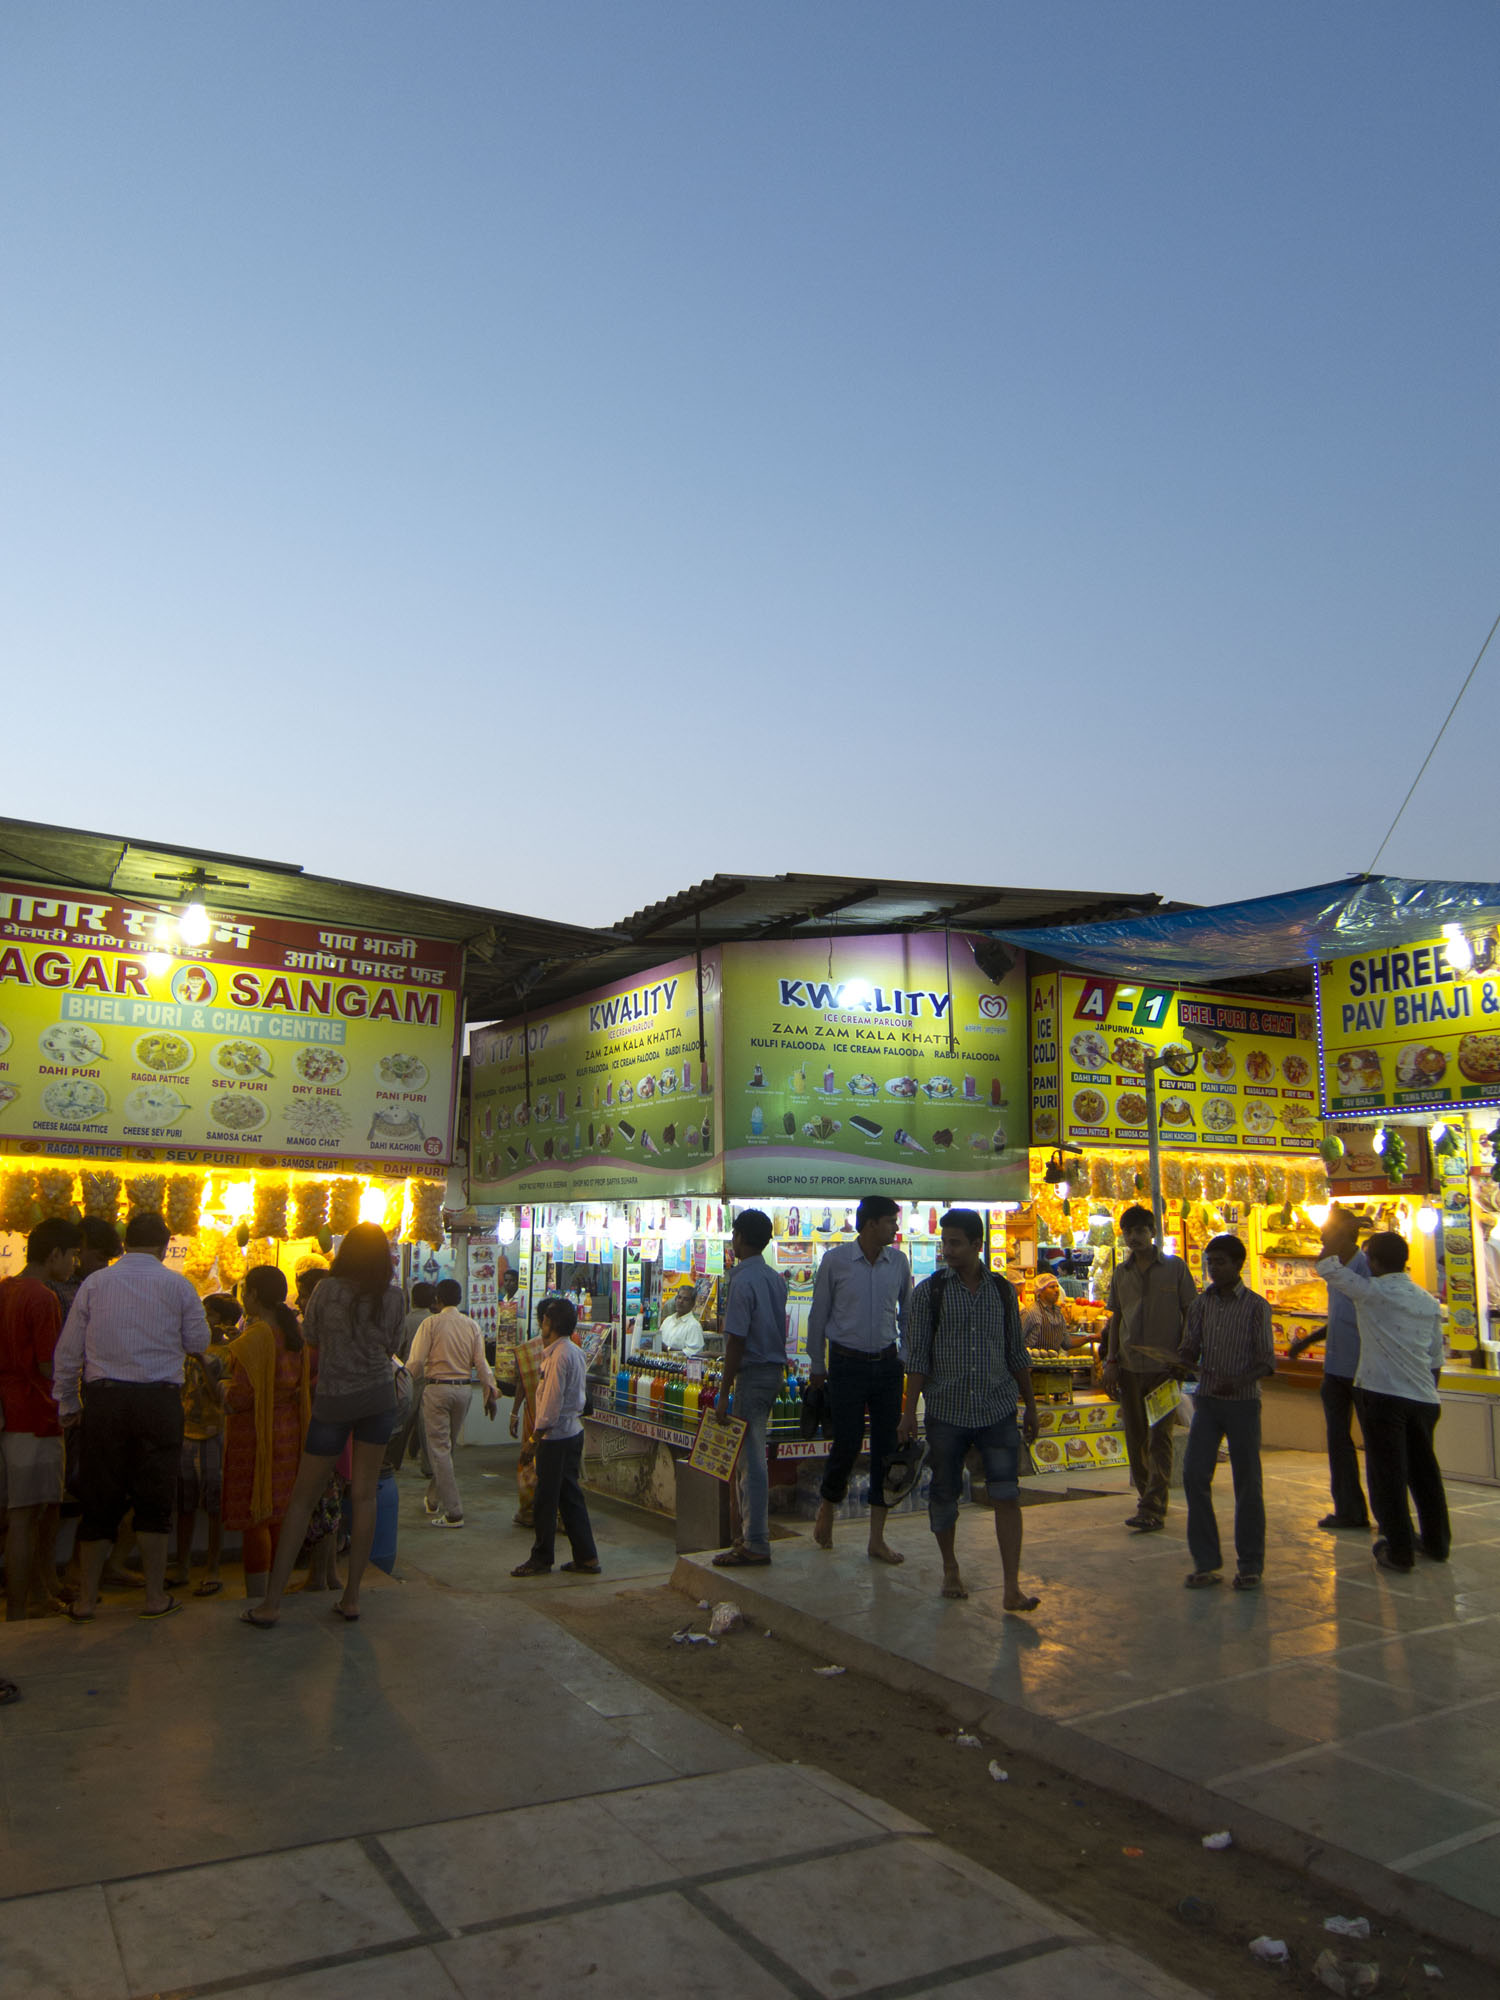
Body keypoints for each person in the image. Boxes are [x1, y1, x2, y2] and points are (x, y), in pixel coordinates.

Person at [241, 1223, 404, 1627]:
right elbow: (393, 1346)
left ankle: (271, 1603)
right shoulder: (394, 1295)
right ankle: (351, 1598)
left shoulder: (328, 1291)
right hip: (379, 1397)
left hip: (334, 1400)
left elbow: (309, 1335)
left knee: (302, 1498)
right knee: (364, 1496)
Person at [52, 1209, 211, 1622]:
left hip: (105, 1403)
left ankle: (86, 1601)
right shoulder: (178, 1286)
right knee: (154, 1499)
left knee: (99, 1500)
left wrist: (68, 1404)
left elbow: (68, 1353)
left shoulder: (95, 1283)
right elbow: (198, 1340)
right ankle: (154, 1598)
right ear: (164, 1244)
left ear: (125, 1243)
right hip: (159, 1403)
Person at [898, 1207, 1041, 1609]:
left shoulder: (1002, 1290)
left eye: (956, 1243)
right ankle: (949, 1568)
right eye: (944, 1242)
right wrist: (909, 1413)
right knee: (944, 1494)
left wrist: (1029, 1405)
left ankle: (1011, 1586)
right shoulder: (930, 1292)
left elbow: (1016, 1352)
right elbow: (919, 1358)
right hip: (947, 1410)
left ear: (978, 1245)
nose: (947, 1250)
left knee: (1007, 1494)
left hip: (997, 1408)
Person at [1318, 1227, 1448, 1574]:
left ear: (1372, 1262)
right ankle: (1437, 1542)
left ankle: (1399, 1550)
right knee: (1424, 1474)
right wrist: (1424, 1395)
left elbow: (1327, 1267)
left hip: (1382, 1395)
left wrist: (1338, 1234)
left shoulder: (1369, 1292)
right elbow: (1436, 1359)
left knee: (1387, 1476)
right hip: (1423, 1397)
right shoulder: (1427, 1301)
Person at [807, 1194, 912, 1564]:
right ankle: (827, 1508)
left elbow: (908, 1316)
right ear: (870, 1225)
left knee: (887, 1450)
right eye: (890, 1222)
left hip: (886, 1366)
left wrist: (905, 1357)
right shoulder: (835, 1262)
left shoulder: (898, 1262)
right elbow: (818, 1316)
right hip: (845, 1365)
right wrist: (816, 1364)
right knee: (847, 1443)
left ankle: (876, 1538)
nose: (896, 1229)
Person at [1177, 1234, 1275, 1590]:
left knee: (1247, 1483)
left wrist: (1238, 1381)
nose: (1213, 1269)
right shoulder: (1202, 1305)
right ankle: (1206, 1562)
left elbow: (1266, 1361)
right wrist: (1182, 1361)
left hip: (1244, 1404)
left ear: (1238, 1265)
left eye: (1220, 1262)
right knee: (1193, 1475)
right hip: (1208, 1401)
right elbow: (1190, 1347)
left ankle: (1250, 1564)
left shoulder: (1256, 1307)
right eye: (1210, 1262)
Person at [0, 1217, 80, 1621]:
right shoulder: (43, 1297)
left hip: (9, 1412)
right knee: (26, 1518)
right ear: (54, 1255)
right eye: (72, 1256)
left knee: (20, 1515)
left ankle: (30, 1596)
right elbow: (50, 1366)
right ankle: (20, 1608)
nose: (73, 1264)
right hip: (36, 1413)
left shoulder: (5, 1288)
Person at [1101, 1204, 1197, 1533]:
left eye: (1140, 1231)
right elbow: (1116, 1320)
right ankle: (1147, 1499)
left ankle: (1154, 1503)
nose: (1133, 1237)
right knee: (1135, 1437)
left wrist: (1184, 1358)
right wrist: (1111, 1361)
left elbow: (1191, 1315)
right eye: (1128, 1232)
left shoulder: (1175, 1269)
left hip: (1164, 1370)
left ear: (1153, 1232)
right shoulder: (1121, 1273)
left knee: (1161, 1438)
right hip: (1129, 1368)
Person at [221, 1267, 312, 1598]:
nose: (244, 1298)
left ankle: (258, 1593)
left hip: (256, 1435)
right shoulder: (293, 1335)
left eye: (246, 1291)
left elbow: (239, 1397)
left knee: (255, 1515)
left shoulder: (254, 1339)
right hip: (288, 1433)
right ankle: (277, 1586)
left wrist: (220, 1389)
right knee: (279, 1514)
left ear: (256, 1295)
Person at [712, 1209, 790, 1569]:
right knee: (752, 1456)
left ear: (741, 1238)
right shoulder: (775, 1279)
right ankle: (749, 1536)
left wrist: (724, 1390)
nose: (732, 1240)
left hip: (753, 1372)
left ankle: (755, 1541)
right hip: (773, 1372)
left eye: (734, 1234)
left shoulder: (741, 1280)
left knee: (751, 1459)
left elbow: (736, 1340)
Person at [1288, 1205, 1372, 1531]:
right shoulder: (1336, 1268)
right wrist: (1308, 1342)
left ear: (1347, 1233)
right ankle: (1349, 1510)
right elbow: (1337, 1318)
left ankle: (1386, 1514)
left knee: (1376, 1445)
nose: (1322, 1236)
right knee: (1338, 1442)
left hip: (1364, 1369)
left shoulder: (1365, 1269)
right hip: (1335, 1368)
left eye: (1329, 1229)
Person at [510, 1297, 599, 1577]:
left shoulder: (559, 1356)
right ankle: (586, 1557)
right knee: (569, 1496)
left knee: (546, 1500)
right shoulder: (571, 1351)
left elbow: (549, 1405)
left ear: (555, 1324)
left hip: (557, 1437)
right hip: (572, 1433)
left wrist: (533, 1441)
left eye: (546, 1320)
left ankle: (541, 1558)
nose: (542, 1324)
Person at [407, 1277, 498, 1527]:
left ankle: (454, 1511)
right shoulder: (471, 1325)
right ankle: (433, 1498)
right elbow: (481, 1362)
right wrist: (489, 1392)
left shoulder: (431, 1324)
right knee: (446, 1449)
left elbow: (415, 1362)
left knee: (439, 1449)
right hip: (464, 1391)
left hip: (437, 1390)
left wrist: (400, 1382)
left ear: (438, 1300)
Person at [169, 1295, 238, 1597]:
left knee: (214, 1505)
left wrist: (201, 1361)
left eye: (209, 1315)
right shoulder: (184, 1348)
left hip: (215, 1434)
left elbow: (221, 1396)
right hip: (185, 1432)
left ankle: (212, 1566)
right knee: (184, 1504)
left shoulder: (228, 1352)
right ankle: (182, 1565)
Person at [46, 1215, 122, 1318]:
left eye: (108, 1261)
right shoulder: (54, 1289)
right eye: (100, 1259)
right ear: (80, 1248)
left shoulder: (101, 1287)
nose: (105, 1267)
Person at [1021, 1274, 1091, 1352]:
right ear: (1040, 1291)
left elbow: (1067, 1343)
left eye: (1057, 1286)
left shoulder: (1059, 1314)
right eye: (1051, 1287)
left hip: (1054, 1362)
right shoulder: (1030, 1312)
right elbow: (1017, 1341)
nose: (1056, 1290)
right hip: (1033, 1363)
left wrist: (1089, 1339)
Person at [658, 1286, 706, 1357]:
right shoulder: (668, 1320)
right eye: (679, 1297)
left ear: (692, 1304)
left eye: (686, 1299)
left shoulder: (693, 1326)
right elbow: (659, 1341)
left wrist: (668, 1349)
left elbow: (694, 1354)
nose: (680, 1301)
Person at [400, 1281, 437, 1363]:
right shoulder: (438, 1321)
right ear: (432, 1302)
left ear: (412, 1300)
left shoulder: (405, 1322)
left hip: (409, 1371)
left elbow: (396, 1350)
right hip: (433, 1371)